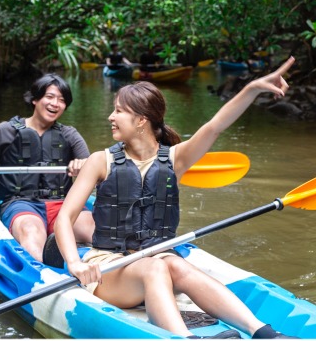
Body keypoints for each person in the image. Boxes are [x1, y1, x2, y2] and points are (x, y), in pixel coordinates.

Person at [55, 58, 296, 338]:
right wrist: (75, 263)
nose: (111, 117)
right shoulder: (100, 161)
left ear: (141, 119)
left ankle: (264, 333)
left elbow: (215, 126)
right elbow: (65, 218)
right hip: (111, 269)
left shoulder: (175, 158)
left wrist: (252, 89)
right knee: (157, 267)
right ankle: (185, 338)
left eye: (118, 111)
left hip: (156, 261)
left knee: (174, 263)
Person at [0, 74, 95, 264]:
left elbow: (92, 167)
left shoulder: (69, 135)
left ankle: (109, 267)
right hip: (20, 203)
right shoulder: (5, 130)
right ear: (35, 99)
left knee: (93, 227)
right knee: (31, 230)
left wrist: (82, 166)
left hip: (62, 204)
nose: (55, 104)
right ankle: (43, 271)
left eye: (61, 100)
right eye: (49, 97)